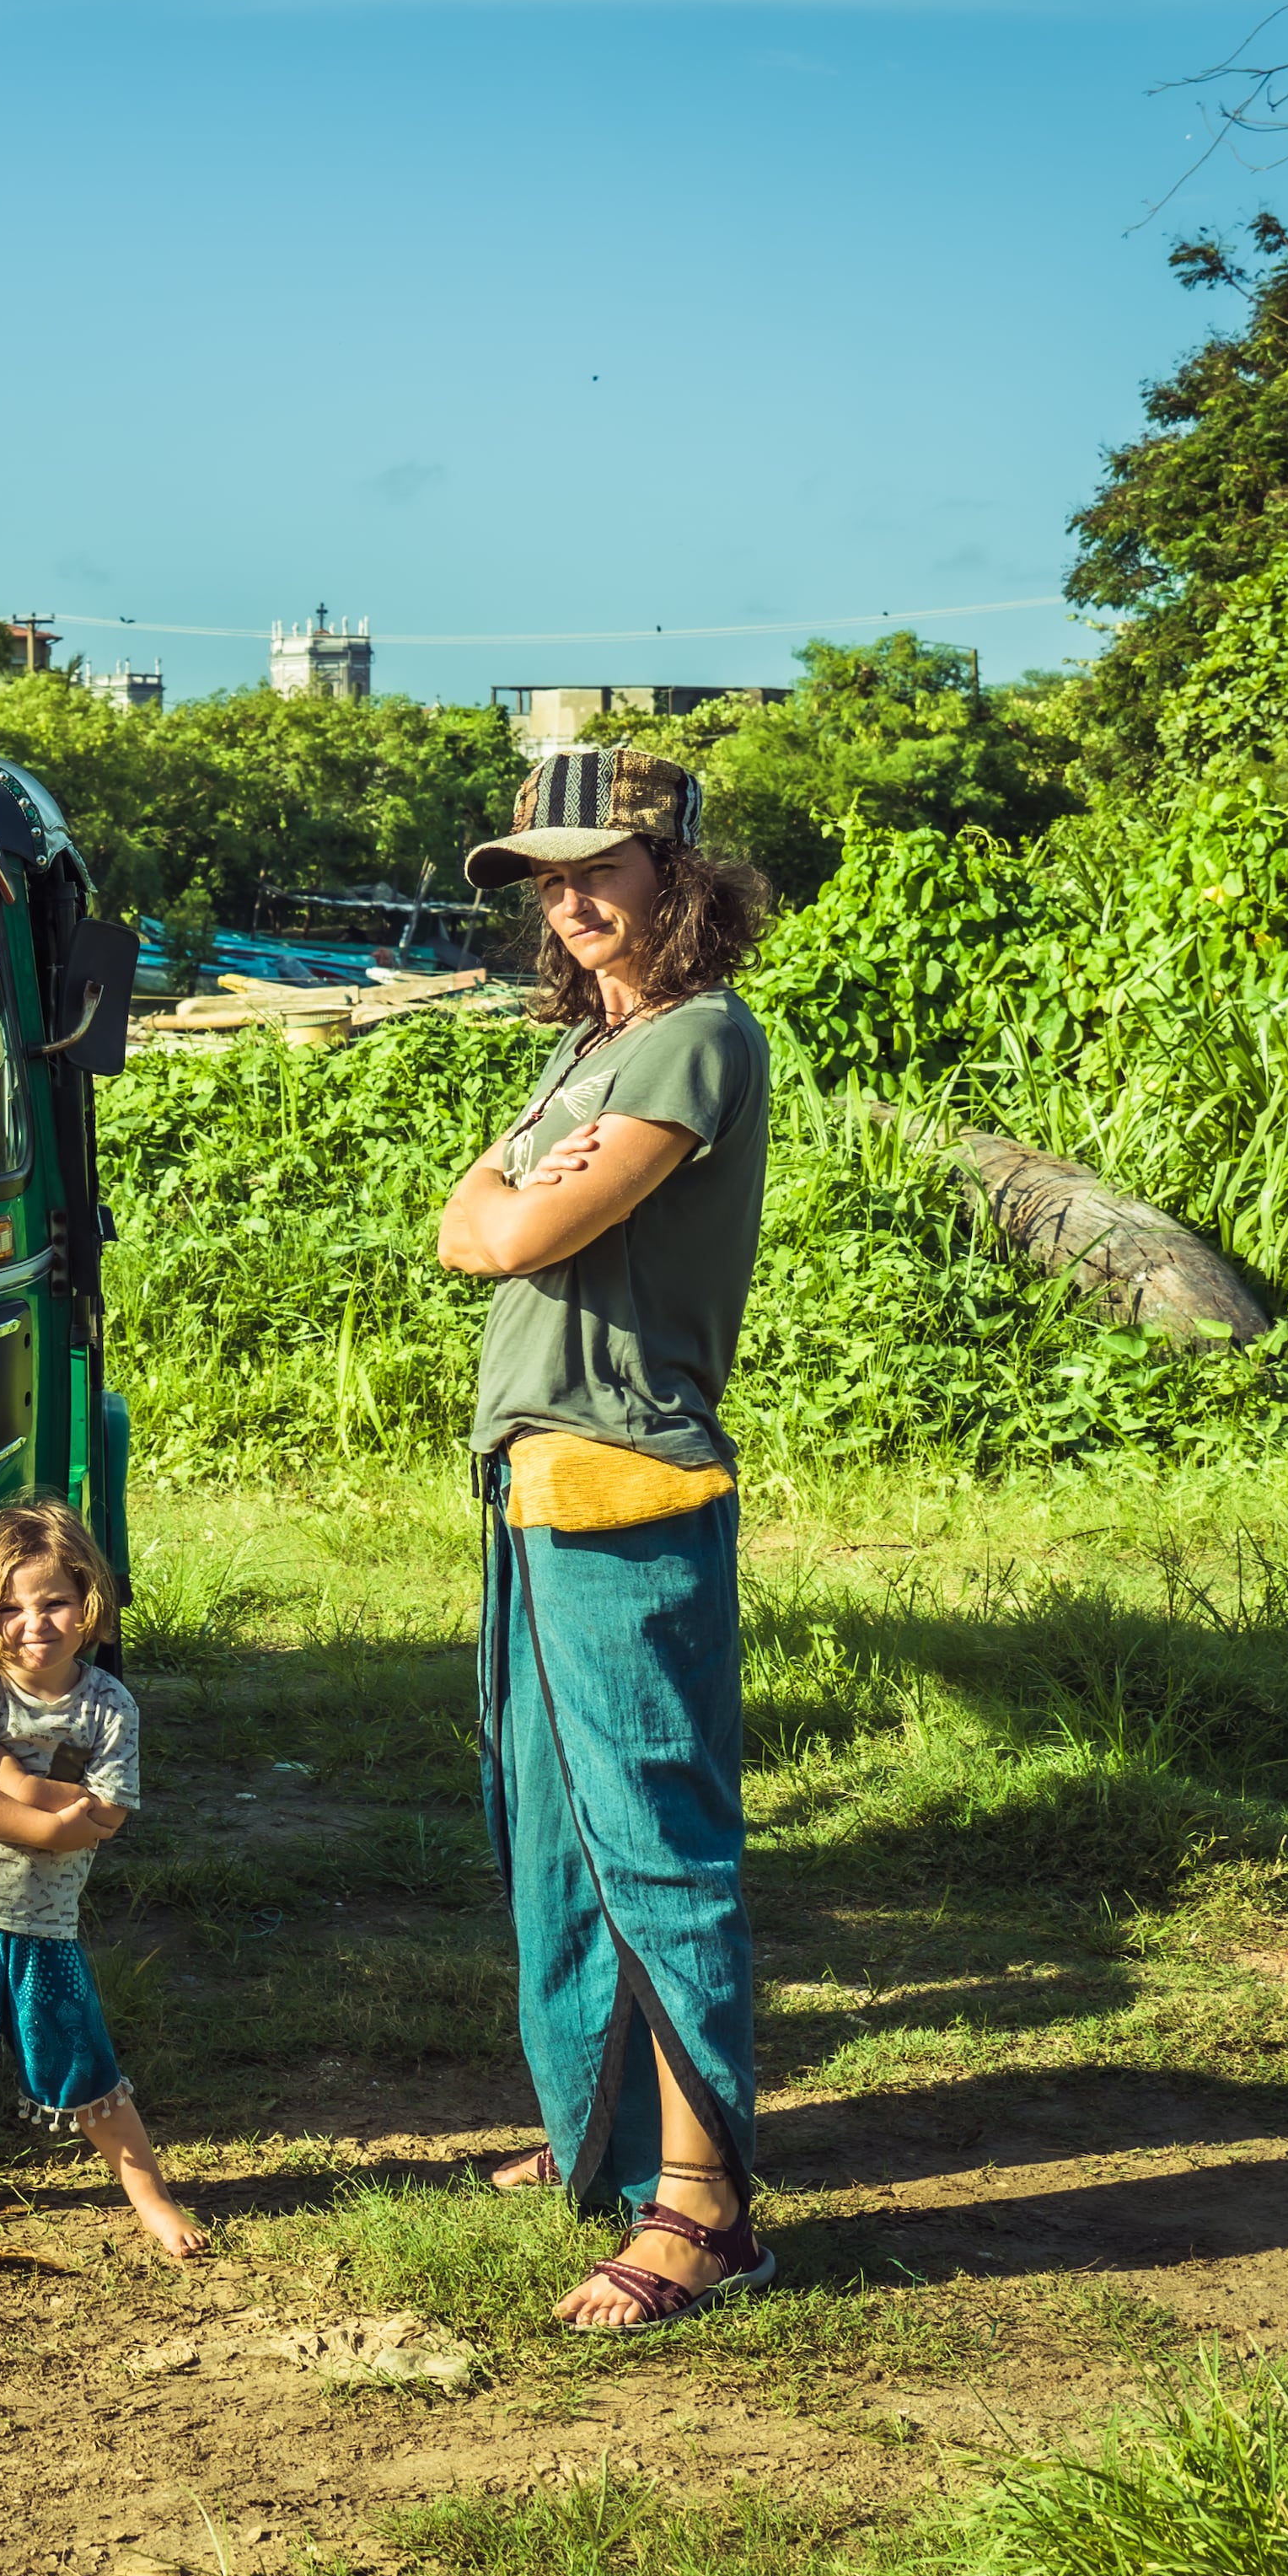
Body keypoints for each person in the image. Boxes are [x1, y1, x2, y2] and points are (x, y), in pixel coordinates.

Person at [433, 746, 779, 2328]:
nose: (570, 902)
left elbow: (514, 1231)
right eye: (545, 880)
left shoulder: (695, 1038)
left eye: (601, 868)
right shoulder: (595, 1045)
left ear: (677, 873)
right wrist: (500, 1198)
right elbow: (460, 1225)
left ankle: (706, 2209)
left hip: (627, 1474)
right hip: (536, 1471)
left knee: (654, 1832)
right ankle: (607, 2134)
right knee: (557, 1821)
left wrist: (509, 1202)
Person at [0, 1498, 207, 2263]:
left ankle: (149, 2191)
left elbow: (111, 1812)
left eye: (54, 1600)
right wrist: (60, 1817)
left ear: (88, 1601)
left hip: (44, 1921)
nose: (34, 1622)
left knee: (78, 2053)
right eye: (10, 1607)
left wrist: (18, 1783)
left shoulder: (109, 1704)